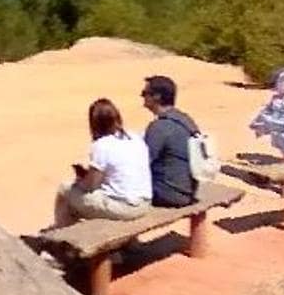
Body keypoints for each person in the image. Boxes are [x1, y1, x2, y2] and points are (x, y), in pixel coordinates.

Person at [54, 98, 152, 227]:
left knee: (65, 189)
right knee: (79, 200)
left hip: (126, 208)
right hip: (144, 202)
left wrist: (80, 180)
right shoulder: (134, 137)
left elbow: (90, 186)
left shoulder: (102, 145)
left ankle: (63, 237)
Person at [141, 75, 200, 207]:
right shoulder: (185, 119)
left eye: (145, 93)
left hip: (168, 193)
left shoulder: (160, 127)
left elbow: (143, 162)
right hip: (188, 190)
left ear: (157, 97)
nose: (142, 97)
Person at [249, 66, 284, 161]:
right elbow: (267, 115)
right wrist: (259, 124)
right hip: (282, 131)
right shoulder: (278, 100)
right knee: (282, 141)